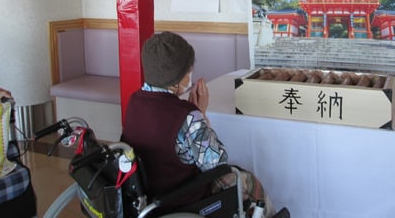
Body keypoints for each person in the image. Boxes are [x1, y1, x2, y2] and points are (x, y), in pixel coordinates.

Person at [121, 31, 289, 218]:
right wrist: (200, 114)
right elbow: (217, 163)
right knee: (246, 179)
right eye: (188, 70)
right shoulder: (186, 117)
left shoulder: (134, 101)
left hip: (148, 198)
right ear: (176, 80)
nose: (190, 74)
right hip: (182, 201)